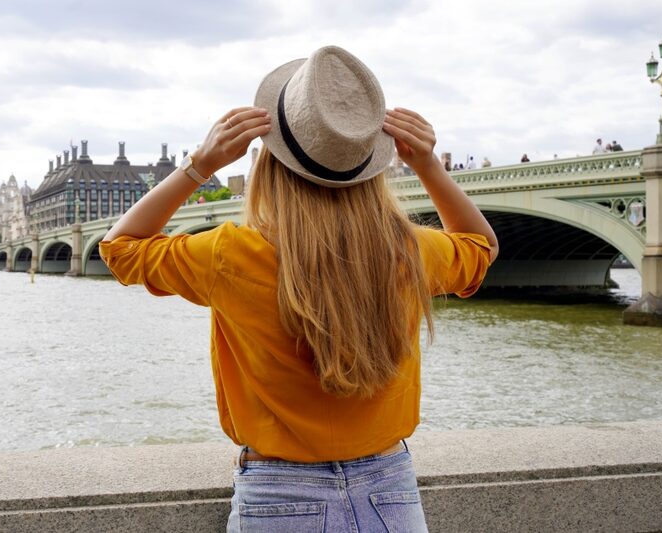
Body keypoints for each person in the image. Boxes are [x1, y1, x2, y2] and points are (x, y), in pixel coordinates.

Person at [99, 45, 498, 532]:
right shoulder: (409, 251)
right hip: (391, 491)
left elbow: (120, 248)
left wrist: (199, 166)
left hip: (277, 493)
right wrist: (430, 167)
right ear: (371, 168)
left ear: (269, 167)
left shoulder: (230, 253)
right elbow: (480, 246)